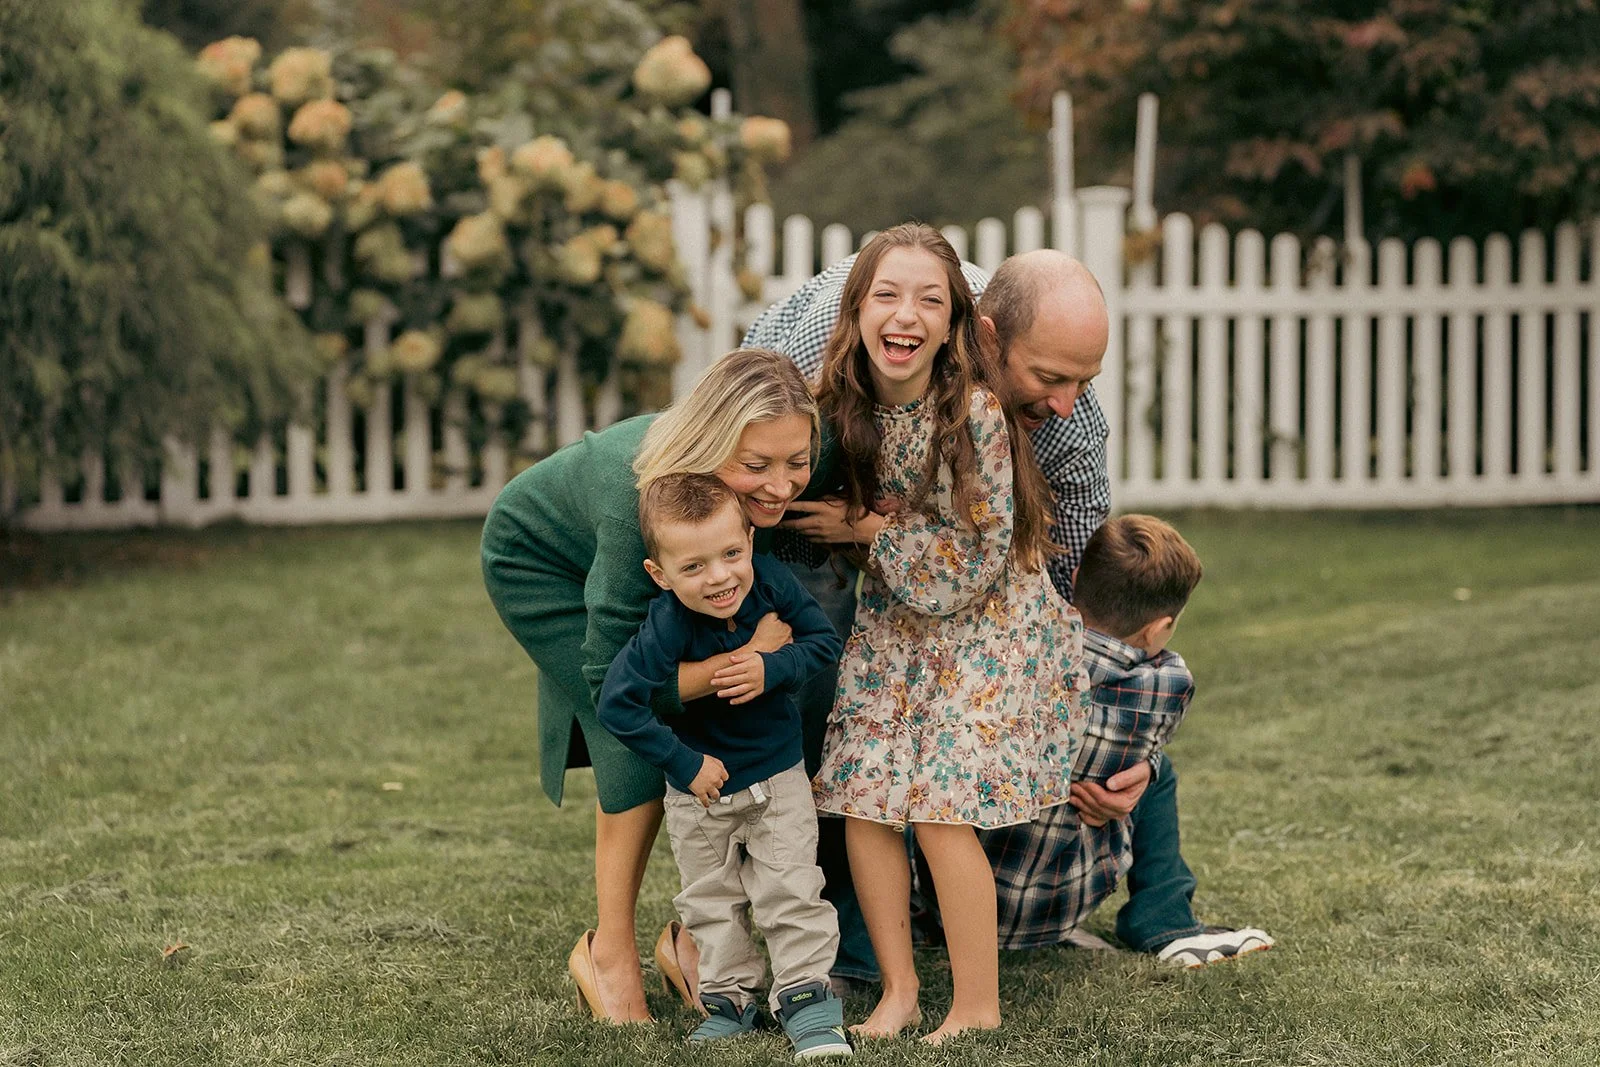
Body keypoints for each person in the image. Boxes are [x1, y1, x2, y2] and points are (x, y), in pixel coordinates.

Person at [748, 244, 1271, 975]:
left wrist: (1127, 753)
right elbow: (747, 434)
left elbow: (1079, 611)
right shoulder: (854, 329)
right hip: (808, 512)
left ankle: (1161, 910)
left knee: (1057, 719)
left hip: (950, 582)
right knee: (828, 694)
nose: (1065, 402)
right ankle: (840, 932)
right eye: (1051, 377)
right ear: (986, 336)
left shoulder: (1067, 430)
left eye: (1084, 381)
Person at [804, 223, 1092, 1044]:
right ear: (858, 308)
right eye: (888, 294)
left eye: (930, 299)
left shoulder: (975, 414)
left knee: (936, 807)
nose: (907, 314)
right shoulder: (843, 407)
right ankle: (898, 993)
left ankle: (975, 1004)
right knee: (863, 797)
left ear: (956, 323)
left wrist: (866, 533)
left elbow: (972, 558)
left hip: (989, 624)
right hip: (900, 624)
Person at [481, 348, 819, 1024]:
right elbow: (614, 686)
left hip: (683, 560)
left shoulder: (787, 438)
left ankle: (692, 940)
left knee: (732, 706)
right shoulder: (633, 494)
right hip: (540, 563)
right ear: (713, 442)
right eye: (756, 467)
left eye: (797, 462)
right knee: (634, 742)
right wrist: (748, 654)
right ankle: (608, 954)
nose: (782, 486)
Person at [596, 472, 852, 1057]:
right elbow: (618, 702)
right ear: (660, 575)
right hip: (698, 797)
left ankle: (808, 1002)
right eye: (693, 567)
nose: (719, 578)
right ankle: (729, 1001)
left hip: (777, 777)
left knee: (790, 889)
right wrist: (683, 764)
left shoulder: (772, 584)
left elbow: (821, 643)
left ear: (749, 543)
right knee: (710, 901)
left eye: (731, 554)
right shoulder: (667, 624)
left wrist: (773, 668)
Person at [984, 515, 1276, 964]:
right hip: (1055, 906)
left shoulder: (1013, 652)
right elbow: (1149, 746)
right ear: (1159, 629)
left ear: (1077, 578)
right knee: (1156, 772)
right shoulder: (1168, 682)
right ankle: (1164, 919)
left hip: (952, 901)